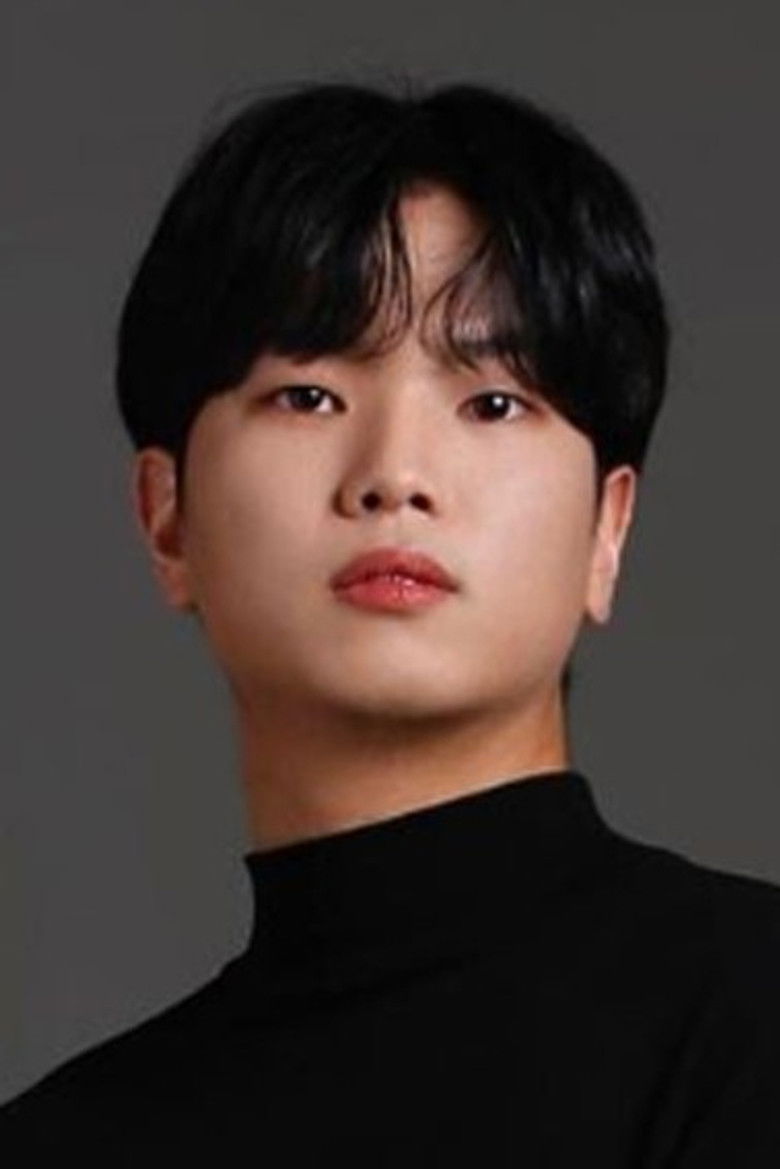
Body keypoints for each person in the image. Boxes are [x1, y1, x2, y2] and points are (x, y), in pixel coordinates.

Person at [2, 74, 778, 1165]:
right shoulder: (58, 1140)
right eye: (308, 394)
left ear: (608, 531)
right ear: (166, 518)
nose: (395, 473)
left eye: (494, 401)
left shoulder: (749, 1017)